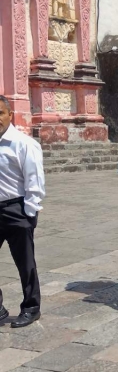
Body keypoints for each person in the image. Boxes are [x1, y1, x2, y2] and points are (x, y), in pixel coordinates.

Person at [0, 96, 45, 328]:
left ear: (10, 115)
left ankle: (31, 307)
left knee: (25, 263)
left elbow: (34, 181)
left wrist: (29, 213)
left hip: (16, 208)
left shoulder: (23, 144)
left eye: (0, 113)